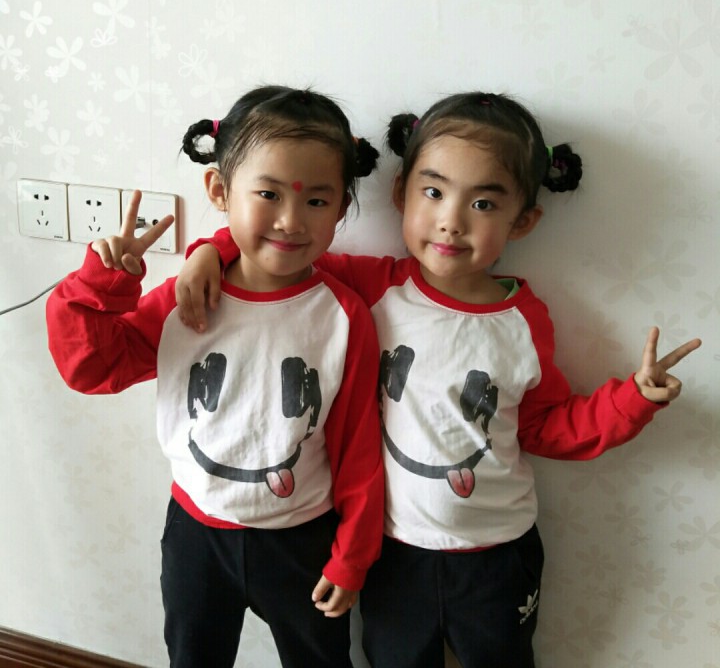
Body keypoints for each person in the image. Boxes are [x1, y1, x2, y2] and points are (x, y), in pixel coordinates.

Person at [173, 91, 701, 668]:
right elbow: (277, 248)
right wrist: (209, 251)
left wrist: (631, 401)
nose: (451, 220)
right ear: (401, 193)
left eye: (484, 203)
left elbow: (546, 426)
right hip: (394, 554)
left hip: (497, 554)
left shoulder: (524, 321)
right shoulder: (370, 288)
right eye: (434, 192)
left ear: (524, 220)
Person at [46, 86, 385, 668]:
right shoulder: (187, 298)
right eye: (268, 194)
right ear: (220, 191)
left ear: (341, 209)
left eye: (317, 200)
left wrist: (352, 556)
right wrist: (102, 283)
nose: (290, 221)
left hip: (302, 539)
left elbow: (358, 447)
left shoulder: (343, 315)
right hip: (197, 537)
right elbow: (92, 368)